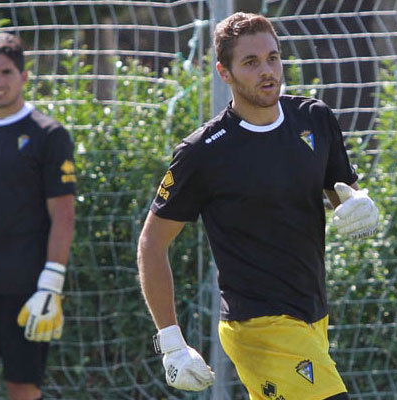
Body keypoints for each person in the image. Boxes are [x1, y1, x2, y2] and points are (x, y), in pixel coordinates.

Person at [137, 12, 378, 400]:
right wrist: (172, 343)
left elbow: (343, 195)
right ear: (224, 72)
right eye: (250, 62)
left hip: (313, 316)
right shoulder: (202, 153)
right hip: (257, 325)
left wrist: (362, 205)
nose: (267, 70)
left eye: (273, 57)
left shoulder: (314, 118)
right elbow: (152, 243)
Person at [0, 33, 76, 400]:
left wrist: (52, 282)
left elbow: (63, 214)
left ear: (24, 76)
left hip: (27, 287)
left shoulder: (49, 134)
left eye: (7, 72)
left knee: (23, 386)